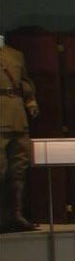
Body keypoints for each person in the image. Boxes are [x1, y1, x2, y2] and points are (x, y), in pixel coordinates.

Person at [0, 35, 40, 231]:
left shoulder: (16, 55)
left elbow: (25, 82)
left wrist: (31, 102)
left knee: (19, 167)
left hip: (18, 117)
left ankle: (15, 215)